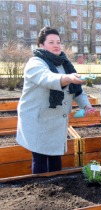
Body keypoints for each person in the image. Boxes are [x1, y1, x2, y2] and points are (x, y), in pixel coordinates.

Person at [16, 27, 92, 174]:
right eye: (51, 42)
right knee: (40, 158)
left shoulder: (64, 64)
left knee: (56, 156)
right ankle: (42, 190)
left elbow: (76, 91)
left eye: (58, 42)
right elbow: (47, 79)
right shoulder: (35, 63)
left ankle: (57, 189)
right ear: (41, 45)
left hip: (57, 121)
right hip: (38, 120)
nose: (56, 45)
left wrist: (86, 105)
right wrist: (69, 78)